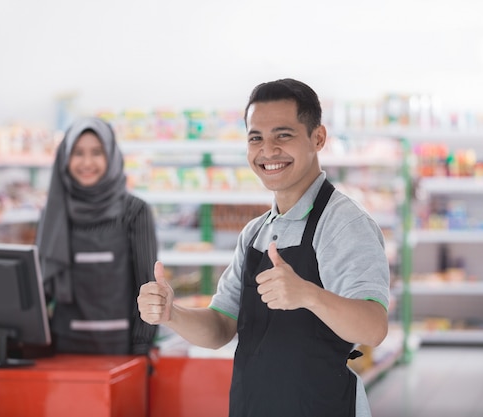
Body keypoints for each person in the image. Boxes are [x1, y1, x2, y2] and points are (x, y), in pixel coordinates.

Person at [138, 78, 390, 416]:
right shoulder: (256, 232)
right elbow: (220, 327)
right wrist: (173, 314)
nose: (267, 150)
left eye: (283, 135)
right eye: (256, 138)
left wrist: (308, 295)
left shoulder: (343, 224)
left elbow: (374, 328)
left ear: (318, 138)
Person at [36, 116, 158, 355]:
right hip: (63, 349)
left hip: (119, 349)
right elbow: (43, 288)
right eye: (78, 153)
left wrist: (141, 349)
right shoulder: (53, 212)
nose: (87, 162)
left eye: (97, 152)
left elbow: (147, 286)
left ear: (111, 156)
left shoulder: (134, 211)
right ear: (65, 158)